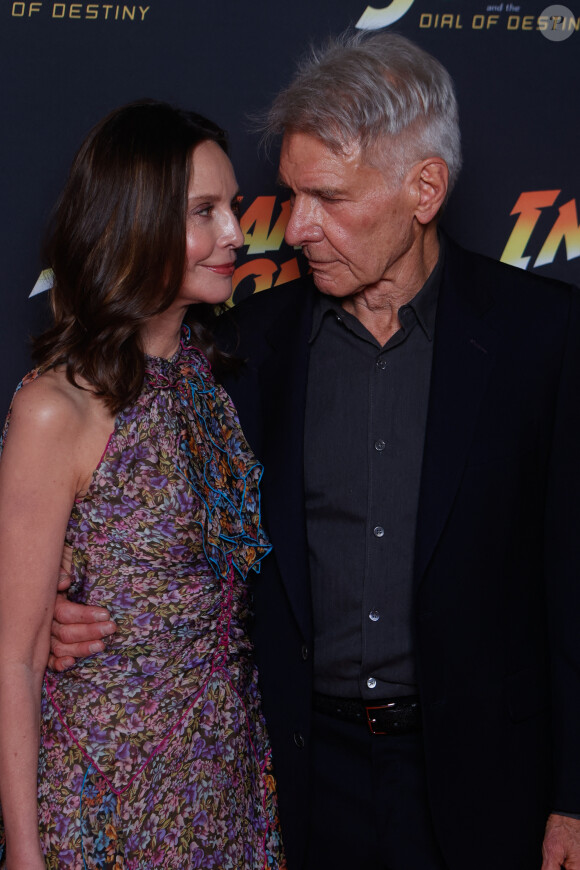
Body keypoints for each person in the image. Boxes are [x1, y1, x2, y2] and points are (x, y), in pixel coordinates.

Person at [50, 33, 580, 870]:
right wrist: (62, 604)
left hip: (483, 782)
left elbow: (573, 584)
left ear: (424, 189)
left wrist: (573, 801)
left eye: (328, 198)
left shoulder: (543, 339)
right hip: (289, 776)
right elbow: (139, 512)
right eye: (292, 195)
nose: (296, 228)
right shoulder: (240, 350)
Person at [0, 100, 285, 870]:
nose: (236, 233)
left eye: (233, 209)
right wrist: (24, 855)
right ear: (136, 221)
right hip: (105, 796)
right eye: (205, 212)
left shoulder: (219, 379)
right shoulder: (56, 407)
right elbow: (17, 655)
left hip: (229, 788)